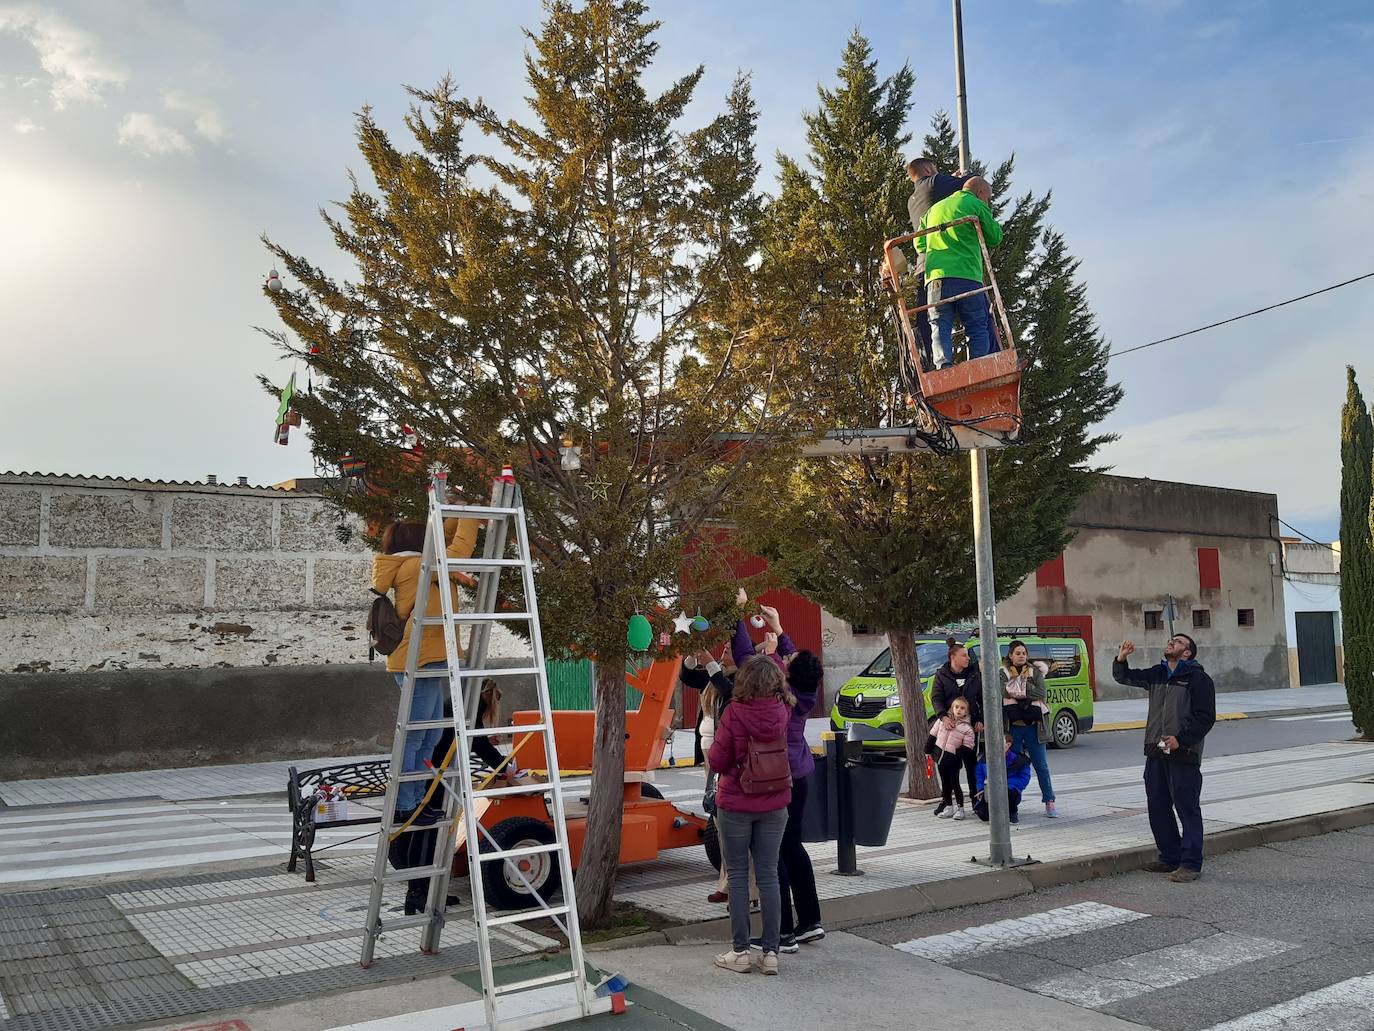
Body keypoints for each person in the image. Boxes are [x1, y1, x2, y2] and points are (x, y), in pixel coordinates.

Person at [371, 516, 480, 819]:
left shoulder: (418, 564)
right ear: (421, 544)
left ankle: (417, 799)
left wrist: (455, 513)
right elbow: (456, 553)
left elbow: (445, 540)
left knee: (430, 736)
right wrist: (471, 517)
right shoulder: (416, 568)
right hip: (415, 662)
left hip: (427, 661)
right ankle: (405, 805)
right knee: (416, 736)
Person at [708, 655, 793, 975]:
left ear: (745, 681)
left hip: (737, 802)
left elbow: (717, 759)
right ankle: (771, 953)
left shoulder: (735, 712)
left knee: (740, 875)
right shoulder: (784, 709)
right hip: (775, 802)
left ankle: (740, 952)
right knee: (769, 874)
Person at [1113, 634, 1216, 882]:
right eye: (1171, 640)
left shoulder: (1198, 679)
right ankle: (1170, 856)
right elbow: (1124, 676)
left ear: (1188, 653)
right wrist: (1121, 659)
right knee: (1157, 806)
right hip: (1156, 751)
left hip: (1184, 753)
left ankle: (1191, 864)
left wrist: (1182, 739)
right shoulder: (1157, 673)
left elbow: (1205, 717)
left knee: (1187, 807)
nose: (1171, 642)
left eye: (1178, 642)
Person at [762, 649, 825, 953]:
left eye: (790, 657)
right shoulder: (806, 690)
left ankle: (783, 931)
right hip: (799, 778)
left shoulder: (783, 695)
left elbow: (765, 667)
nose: (787, 655)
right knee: (793, 846)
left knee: (775, 851)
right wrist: (779, 631)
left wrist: (772, 650)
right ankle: (810, 921)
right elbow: (795, 664)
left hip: (780, 777)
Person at [914, 176, 1003, 370]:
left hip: (936, 279)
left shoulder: (933, 210)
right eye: (987, 198)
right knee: (976, 324)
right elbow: (995, 237)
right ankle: (979, 367)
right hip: (967, 276)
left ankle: (943, 366)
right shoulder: (974, 203)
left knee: (939, 325)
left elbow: (919, 243)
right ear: (981, 193)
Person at [905, 157, 974, 373]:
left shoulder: (912, 200)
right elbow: (972, 185)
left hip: (924, 268)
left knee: (930, 319)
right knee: (975, 311)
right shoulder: (934, 183)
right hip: (947, 261)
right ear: (928, 169)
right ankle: (986, 355)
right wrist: (961, 178)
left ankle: (935, 368)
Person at [1000, 640, 1058, 818]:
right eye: (1017, 653)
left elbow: (1041, 693)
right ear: (1010, 655)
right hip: (1014, 728)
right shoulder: (1002, 672)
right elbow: (1003, 691)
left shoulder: (1036, 671)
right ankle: (1013, 803)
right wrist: (1025, 690)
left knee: (1041, 766)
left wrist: (1018, 690)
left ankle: (1049, 801)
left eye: (1023, 653)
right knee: (1013, 765)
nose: (1021, 656)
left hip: (1034, 727)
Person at [930, 638, 984, 802]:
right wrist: (943, 716)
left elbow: (982, 699)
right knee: (948, 767)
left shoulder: (974, 675)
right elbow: (936, 698)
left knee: (971, 764)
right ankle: (949, 802)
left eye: (967, 656)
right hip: (949, 726)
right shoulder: (942, 675)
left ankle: (976, 798)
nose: (968, 658)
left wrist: (980, 720)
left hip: (969, 727)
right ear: (953, 657)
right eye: (964, 655)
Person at [973, 732, 1033, 824]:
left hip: (1010, 790)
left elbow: (1024, 777)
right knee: (983, 815)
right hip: (990, 791)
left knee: (1009, 793)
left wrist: (1009, 786)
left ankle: (1012, 812)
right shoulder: (985, 758)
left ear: (1008, 745)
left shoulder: (1018, 760)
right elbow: (979, 775)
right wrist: (981, 788)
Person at [933, 696, 977, 820]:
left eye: (962, 708)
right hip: (941, 758)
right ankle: (948, 806)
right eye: (956, 707)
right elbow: (933, 734)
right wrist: (929, 750)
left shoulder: (967, 728)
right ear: (952, 708)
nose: (959, 710)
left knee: (955, 783)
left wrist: (956, 753)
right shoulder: (942, 721)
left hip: (953, 760)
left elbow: (968, 746)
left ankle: (960, 808)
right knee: (945, 784)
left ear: (967, 712)